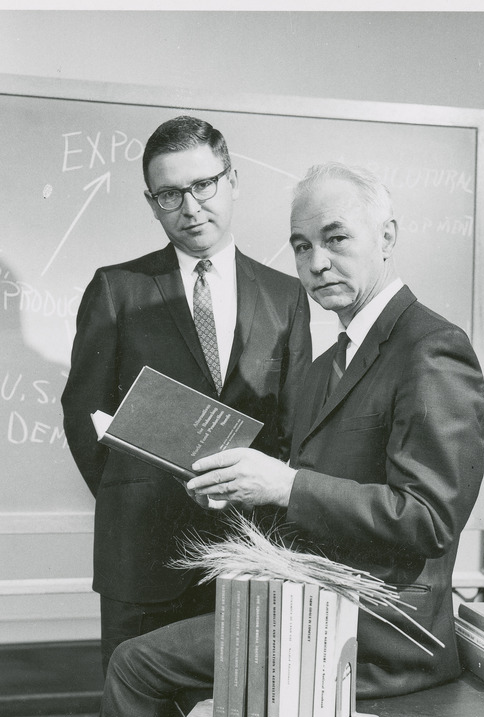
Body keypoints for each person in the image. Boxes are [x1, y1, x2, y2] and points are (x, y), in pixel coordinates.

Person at [81, 162, 484, 717]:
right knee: (154, 658)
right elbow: (307, 487)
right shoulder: (332, 360)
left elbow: (428, 519)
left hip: (382, 634)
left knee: (137, 664)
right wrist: (235, 483)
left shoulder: (431, 349)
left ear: (387, 236)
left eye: (336, 238)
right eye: (302, 247)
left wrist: (283, 485)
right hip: (315, 605)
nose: (317, 261)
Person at [61, 116, 312, 674]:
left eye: (204, 185)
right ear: (152, 204)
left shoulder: (285, 295)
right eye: (170, 194)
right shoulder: (117, 289)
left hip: (248, 551)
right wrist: (133, 495)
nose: (191, 207)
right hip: (143, 549)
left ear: (233, 181)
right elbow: (83, 413)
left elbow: (293, 424)